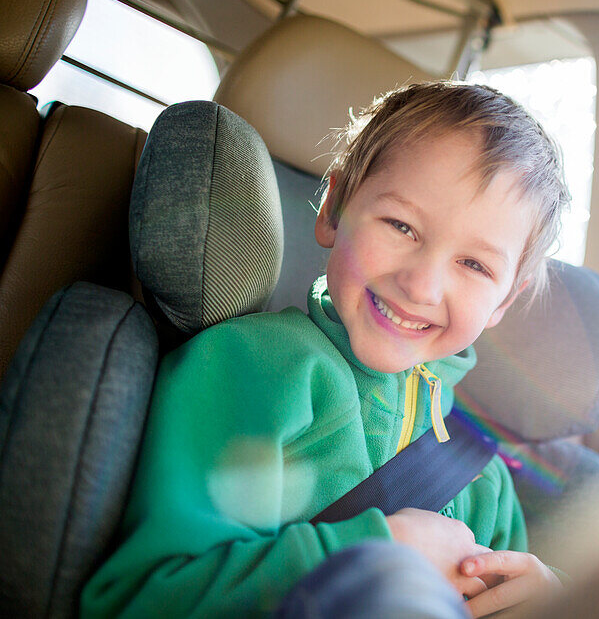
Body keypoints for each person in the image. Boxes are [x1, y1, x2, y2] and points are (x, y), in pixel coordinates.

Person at [82, 82, 568, 617]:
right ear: (333, 210)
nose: (422, 286)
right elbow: (142, 599)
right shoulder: (256, 370)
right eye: (401, 226)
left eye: (474, 265)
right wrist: (377, 554)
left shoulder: (483, 479)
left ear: (504, 302)